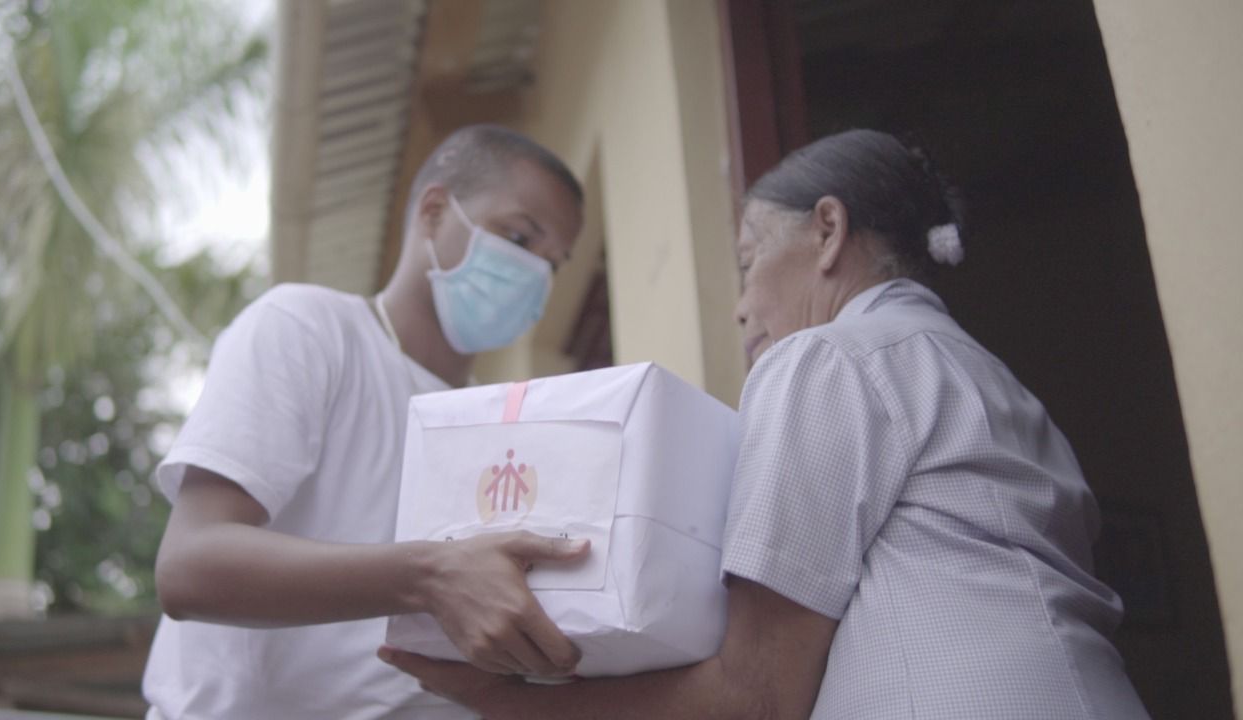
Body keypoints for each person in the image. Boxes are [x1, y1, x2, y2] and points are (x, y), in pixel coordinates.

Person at [380, 129, 1151, 719]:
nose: (743, 305)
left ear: (827, 231)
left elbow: (755, 694)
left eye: (750, 260)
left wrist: (505, 699)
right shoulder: (993, 382)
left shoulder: (826, 357)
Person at [143, 125, 589, 720]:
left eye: (553, 265)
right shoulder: (309, 330)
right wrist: (430, 575)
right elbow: (189, 568)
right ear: (434, 211)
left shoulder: (503, 427)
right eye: (517, 238)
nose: (535, 276)